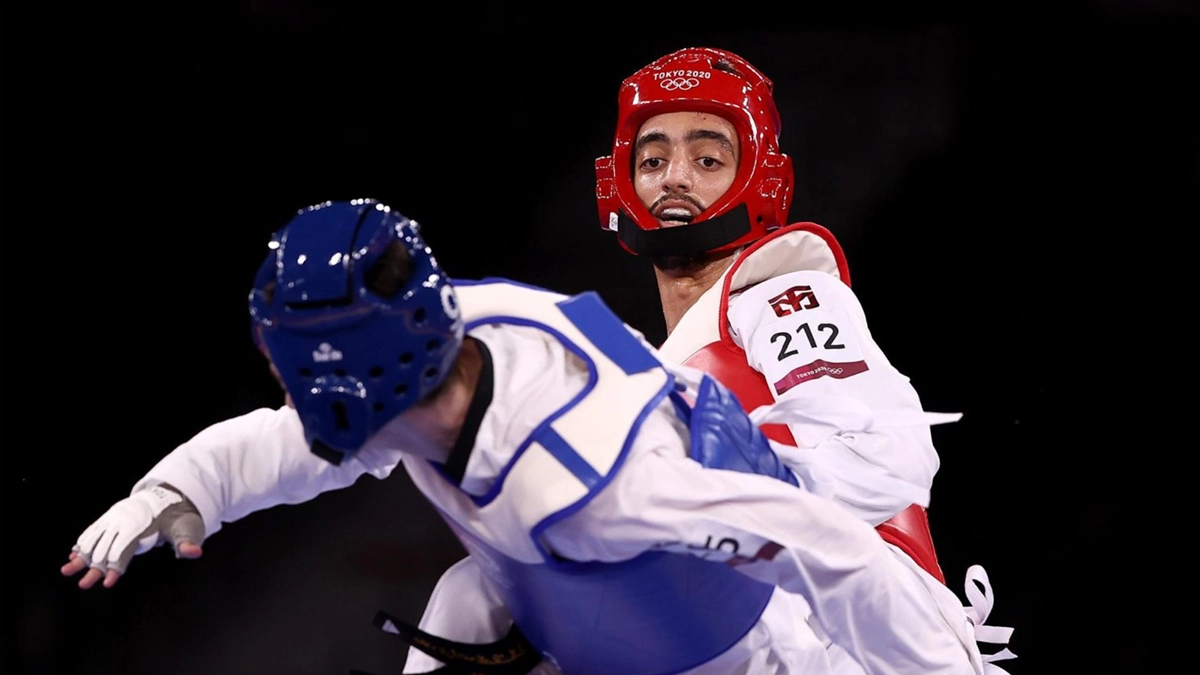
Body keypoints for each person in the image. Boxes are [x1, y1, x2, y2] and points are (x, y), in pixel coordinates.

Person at [63, 199, 1001, 675]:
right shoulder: (459, 322)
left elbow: (822, 542)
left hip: (747, 652)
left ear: (360, 378)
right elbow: (288, 441)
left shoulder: (595, 483)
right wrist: (182, 488)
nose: (282, 383)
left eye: (292, 365)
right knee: (463, 599)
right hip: (573, 599)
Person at [402, 47, 1017, 674]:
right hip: (748, 622)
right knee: (479, 593)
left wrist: (716, 491)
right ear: (619, 182)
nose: (674, 177)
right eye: (652, 159)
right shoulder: (646, 367)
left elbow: (886, 460)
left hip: (868, 637)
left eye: (707, 159)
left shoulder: (783, 294)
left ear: (759, 179)